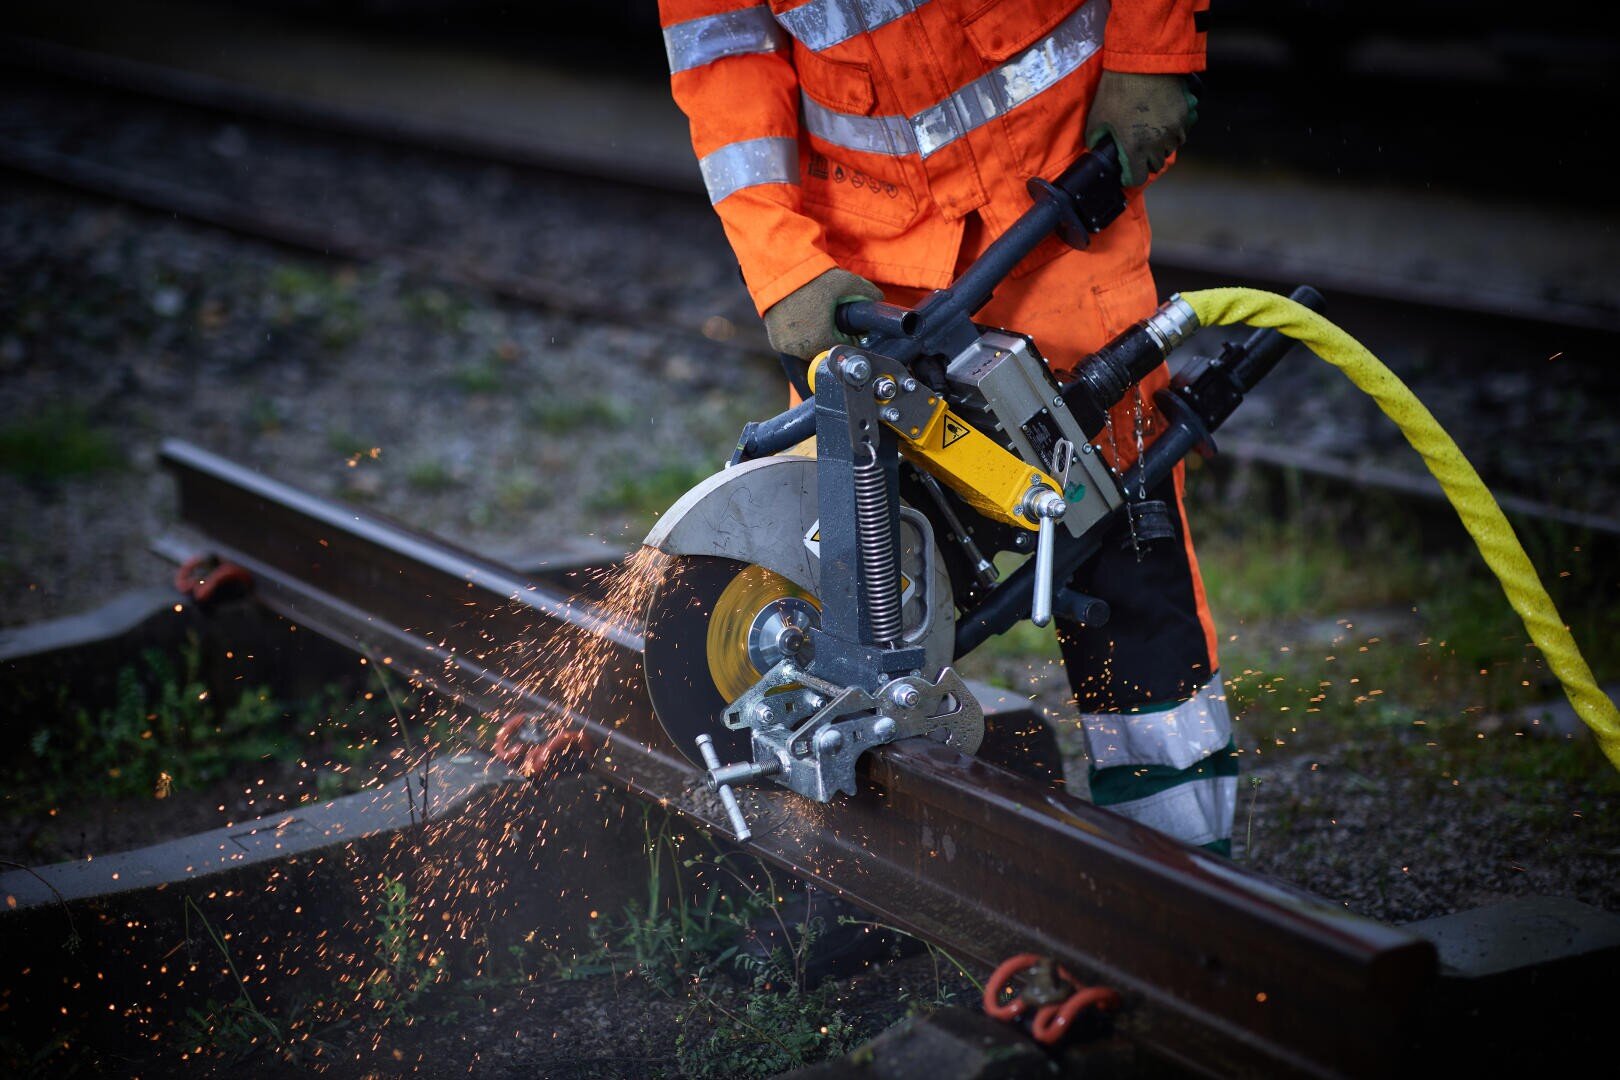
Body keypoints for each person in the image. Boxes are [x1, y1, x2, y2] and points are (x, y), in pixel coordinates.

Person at [659, 0, 1235, 853]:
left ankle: (1187, 888)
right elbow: (724, 55)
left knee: (1127, 564)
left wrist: (1153, 47)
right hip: (862, 268)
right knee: (835, 585)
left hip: (1060, 207)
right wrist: (785, 267)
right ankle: (854, 882)